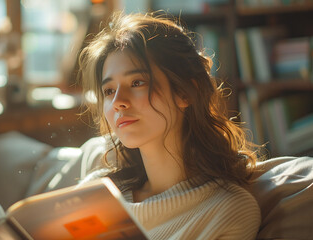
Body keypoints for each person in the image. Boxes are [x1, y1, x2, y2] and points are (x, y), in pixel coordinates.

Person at [78, 12, 263, 239]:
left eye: (137, 82)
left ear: (184, 92)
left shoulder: (228, 209)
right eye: (109, 91)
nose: (117, 102)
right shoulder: (96, 191)